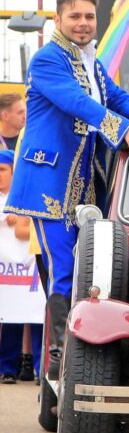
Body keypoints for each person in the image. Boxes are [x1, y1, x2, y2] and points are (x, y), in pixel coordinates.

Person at [6, 0, 129, 382]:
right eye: (75, 17)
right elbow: (79, 102)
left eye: (89, 17)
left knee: (87, 270)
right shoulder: (47, 60)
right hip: (49, 182)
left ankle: (80, 350)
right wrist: (123, 129)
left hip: (84, 185)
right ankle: (61, 357)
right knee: (63, 269)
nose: (83, 24)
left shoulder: (91, 60)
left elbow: (112, 95)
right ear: (58, 20)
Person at [0, 149, 42, 384]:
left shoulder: (25, 195)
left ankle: (40, 368)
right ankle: (7, 368)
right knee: (9, 317)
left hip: (29, 271)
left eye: (3, 170)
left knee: (37, 317)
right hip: (7, 276)